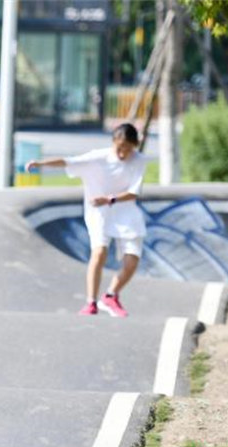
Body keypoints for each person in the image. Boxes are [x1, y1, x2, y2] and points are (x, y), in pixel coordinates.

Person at [26, 123, 148, 318]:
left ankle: (110, 296)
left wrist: (109, 199)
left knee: (132, 261)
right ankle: (91, 302)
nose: (123, 153)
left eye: (128, 149)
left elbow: (134, 192)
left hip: (126, 213)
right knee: (99, 252)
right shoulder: (98, 157)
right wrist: (41, 164)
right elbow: (69, 161)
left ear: (135, 146)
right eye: (119, 148)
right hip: (99, 213)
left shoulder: (139, 160)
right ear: (113, 143)